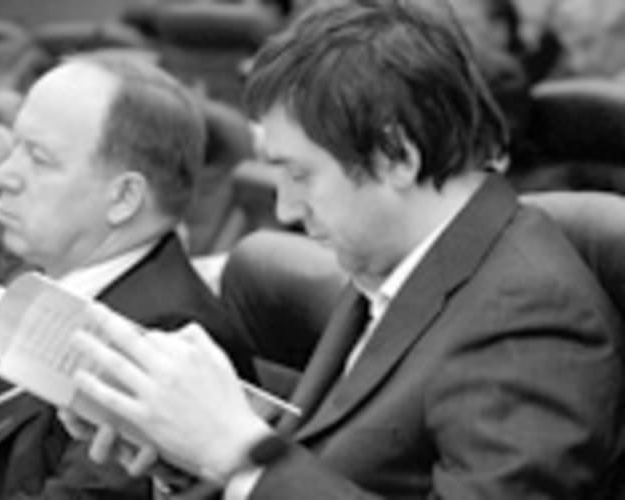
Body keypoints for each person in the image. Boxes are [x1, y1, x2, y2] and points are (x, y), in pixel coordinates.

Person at [67, 1, 624, 498]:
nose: (285, 208)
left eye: (299, 174)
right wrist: (184, 449)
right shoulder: (401, 262)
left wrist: (237, 453)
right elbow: (334, 462)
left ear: (396, 156)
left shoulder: (527, 319)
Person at [0, 53, 254, 499]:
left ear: (123, 198)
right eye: (14, 147)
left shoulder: (166, 342)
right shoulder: (30, 277)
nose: (2, 174)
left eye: (38, 159)